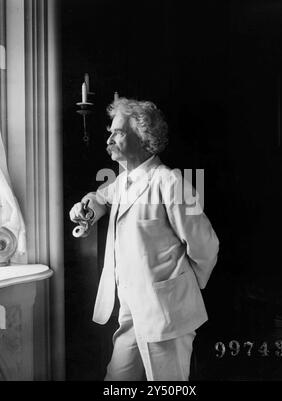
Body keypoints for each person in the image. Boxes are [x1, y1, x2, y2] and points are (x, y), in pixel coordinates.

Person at [69, 97, 219, 381]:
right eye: (110, 132)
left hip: (166, 314)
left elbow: (205, 245)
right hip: (130, 312)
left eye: (119, 132)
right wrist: (85, 209)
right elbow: (100, 198)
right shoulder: (122, 181)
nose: (110, 138)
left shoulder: (169, 181)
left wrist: (184, 287)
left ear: (143, 137)